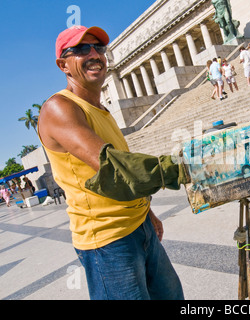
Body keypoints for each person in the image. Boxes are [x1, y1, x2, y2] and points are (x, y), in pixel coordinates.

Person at [37, 25, 185, 300]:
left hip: (139, 227)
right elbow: (113, 167)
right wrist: (186, 168)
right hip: (107, 242)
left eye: (99, 48)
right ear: (63, 65)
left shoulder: (102, 111)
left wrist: (147, 212)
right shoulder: (60, 108)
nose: (94, 54)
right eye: (81, 49)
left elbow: (123, 179)